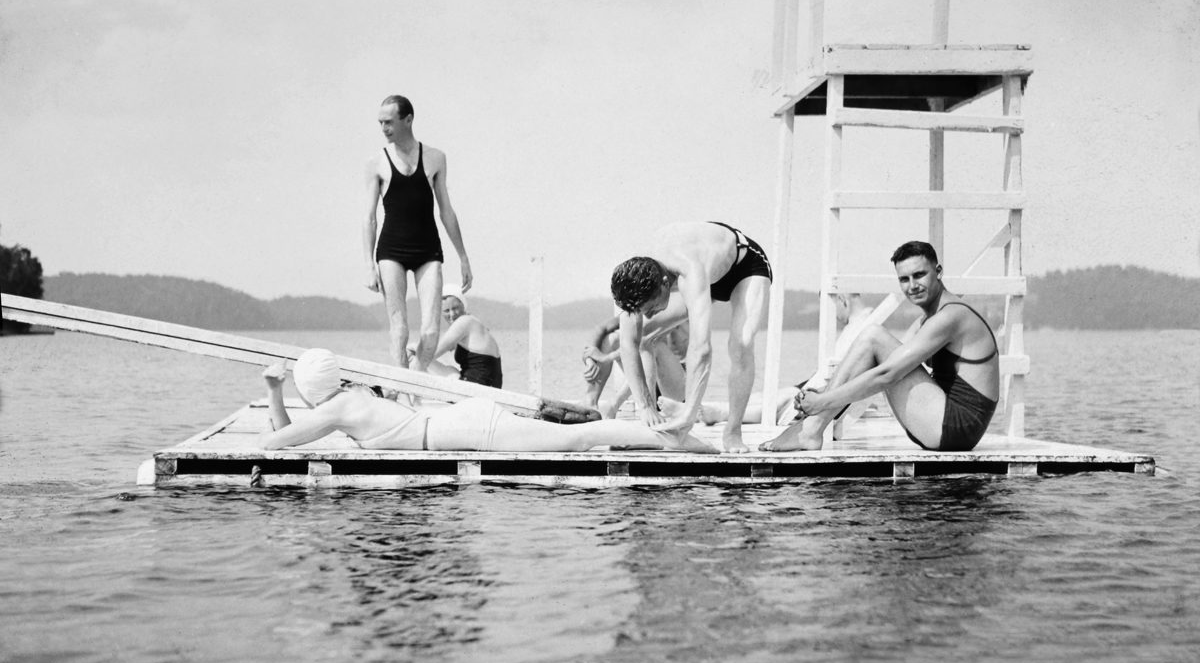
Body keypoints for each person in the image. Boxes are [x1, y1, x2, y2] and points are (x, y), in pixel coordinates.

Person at [762, 241, 999, 452]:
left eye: (919, 275)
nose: (912, 285)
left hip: (957, 427)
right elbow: (879, 363)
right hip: (944, 425)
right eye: (904, 279)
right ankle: (812, 427)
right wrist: (821, 397)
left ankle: (811, 429)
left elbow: (888, 374)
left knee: (874, 336)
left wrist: (823, 402)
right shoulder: (925, 321)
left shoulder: (952, 316)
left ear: (938, 272)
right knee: (873, 339)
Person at [255, 349, 718, 453]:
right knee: (580, 435)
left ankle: (685, 443)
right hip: (463, 423)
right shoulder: (351, 395)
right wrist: (277, 392)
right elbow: (286, 436)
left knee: (583, 436)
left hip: (469, 429)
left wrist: (274, 392)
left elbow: (276, 443)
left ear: (310, 389)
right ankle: (678, 438)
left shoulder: (338, 408)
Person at [609, 221, 772, 453]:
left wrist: (690, 413)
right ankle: (659, 415)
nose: (648, 314)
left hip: (744, 267)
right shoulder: (634, 278)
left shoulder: (688, 271)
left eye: (651, 308)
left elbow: (701, 347)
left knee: (741, 344)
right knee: (644, 334)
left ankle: (733, 432)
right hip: (706, 271)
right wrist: (645, 406)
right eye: (643, 310)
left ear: (665, 284)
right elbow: (629, 343)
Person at [364, 94, 473, 372]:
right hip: (391, 251)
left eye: (389, 122)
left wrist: (463, 256)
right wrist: (368, 265)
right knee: (399, 329)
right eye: (380, 123)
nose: (384, 128)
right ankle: (406, 394)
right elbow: (369, 218)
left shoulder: (436, 158)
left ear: (408, 120)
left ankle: (413, 381)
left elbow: (446, 210)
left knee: (430, 332)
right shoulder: (376, 163)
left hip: (427, 249)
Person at [424, 285, 503, 388]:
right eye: (446, 311)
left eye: (455, 308)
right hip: (491, 388)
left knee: (417, 357)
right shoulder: (472, 321)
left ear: (463, 305)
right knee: (446, 366)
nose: (452, 314)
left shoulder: (464, 322)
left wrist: (412, 348)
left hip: (475, 390)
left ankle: (408, 395)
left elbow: (428, 355)